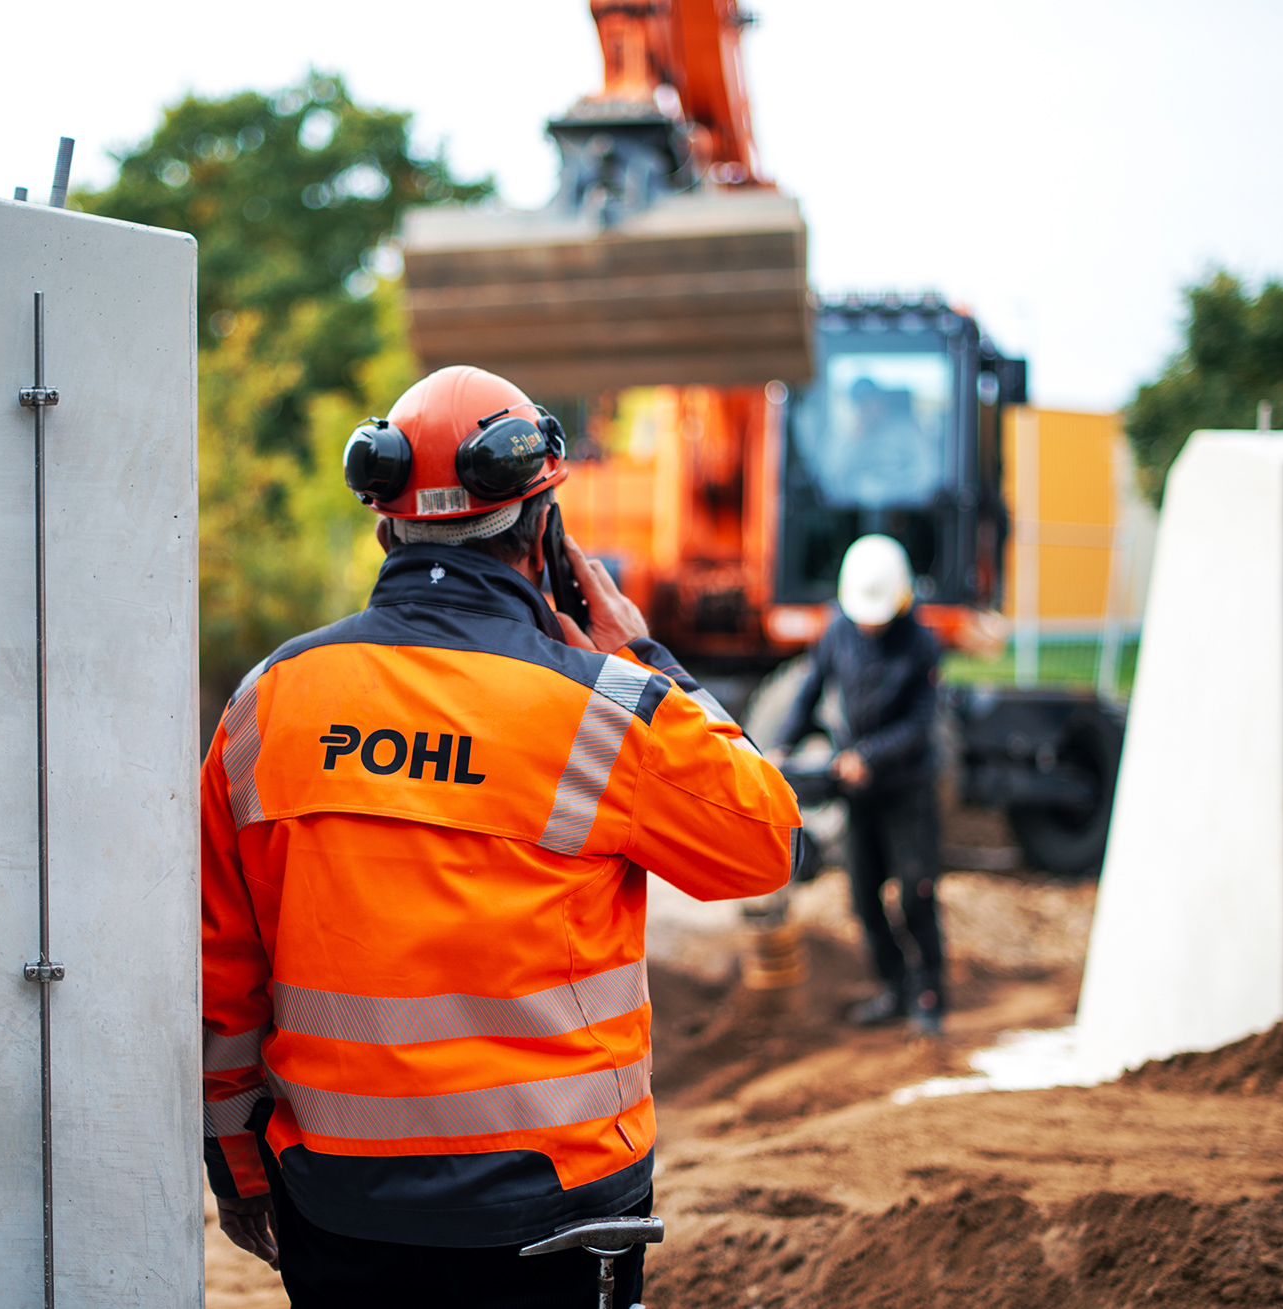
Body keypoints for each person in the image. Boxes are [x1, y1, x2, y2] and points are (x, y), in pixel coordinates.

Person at [200, 365, 802, 1307]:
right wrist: (645, 659)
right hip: (552, 1214)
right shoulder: (604, 711)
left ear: (382, 524)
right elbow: (766, 840)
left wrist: (238, 1167)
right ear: (545, 531)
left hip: (339, 1205)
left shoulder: (265, 707)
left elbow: (220, 974)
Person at [770, 533, 947, 1035]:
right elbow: (809, 693)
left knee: (915, 892)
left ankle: (929, 993)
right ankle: (893, 987)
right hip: (860, 792)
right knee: (864, 898)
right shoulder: (837, 631)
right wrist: (781, 747)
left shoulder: (920, 644)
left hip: (907, 787)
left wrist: (869, 756)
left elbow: (920, 723)